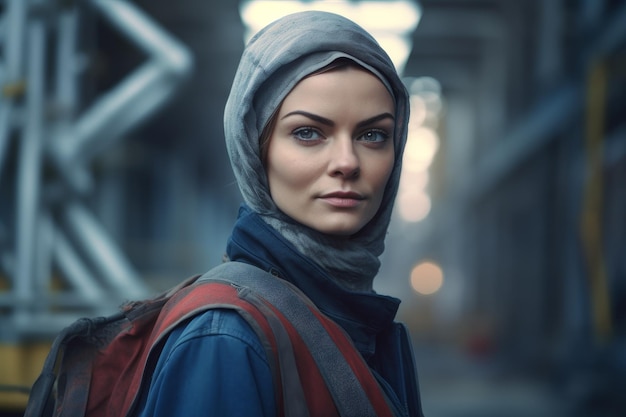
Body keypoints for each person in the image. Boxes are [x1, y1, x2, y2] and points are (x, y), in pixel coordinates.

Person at [134, 10, 424, 417]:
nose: (347, 162)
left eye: (373, 135)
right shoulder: (227, 339)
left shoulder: (354, 315)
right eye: (308, 132)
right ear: (256, 150)